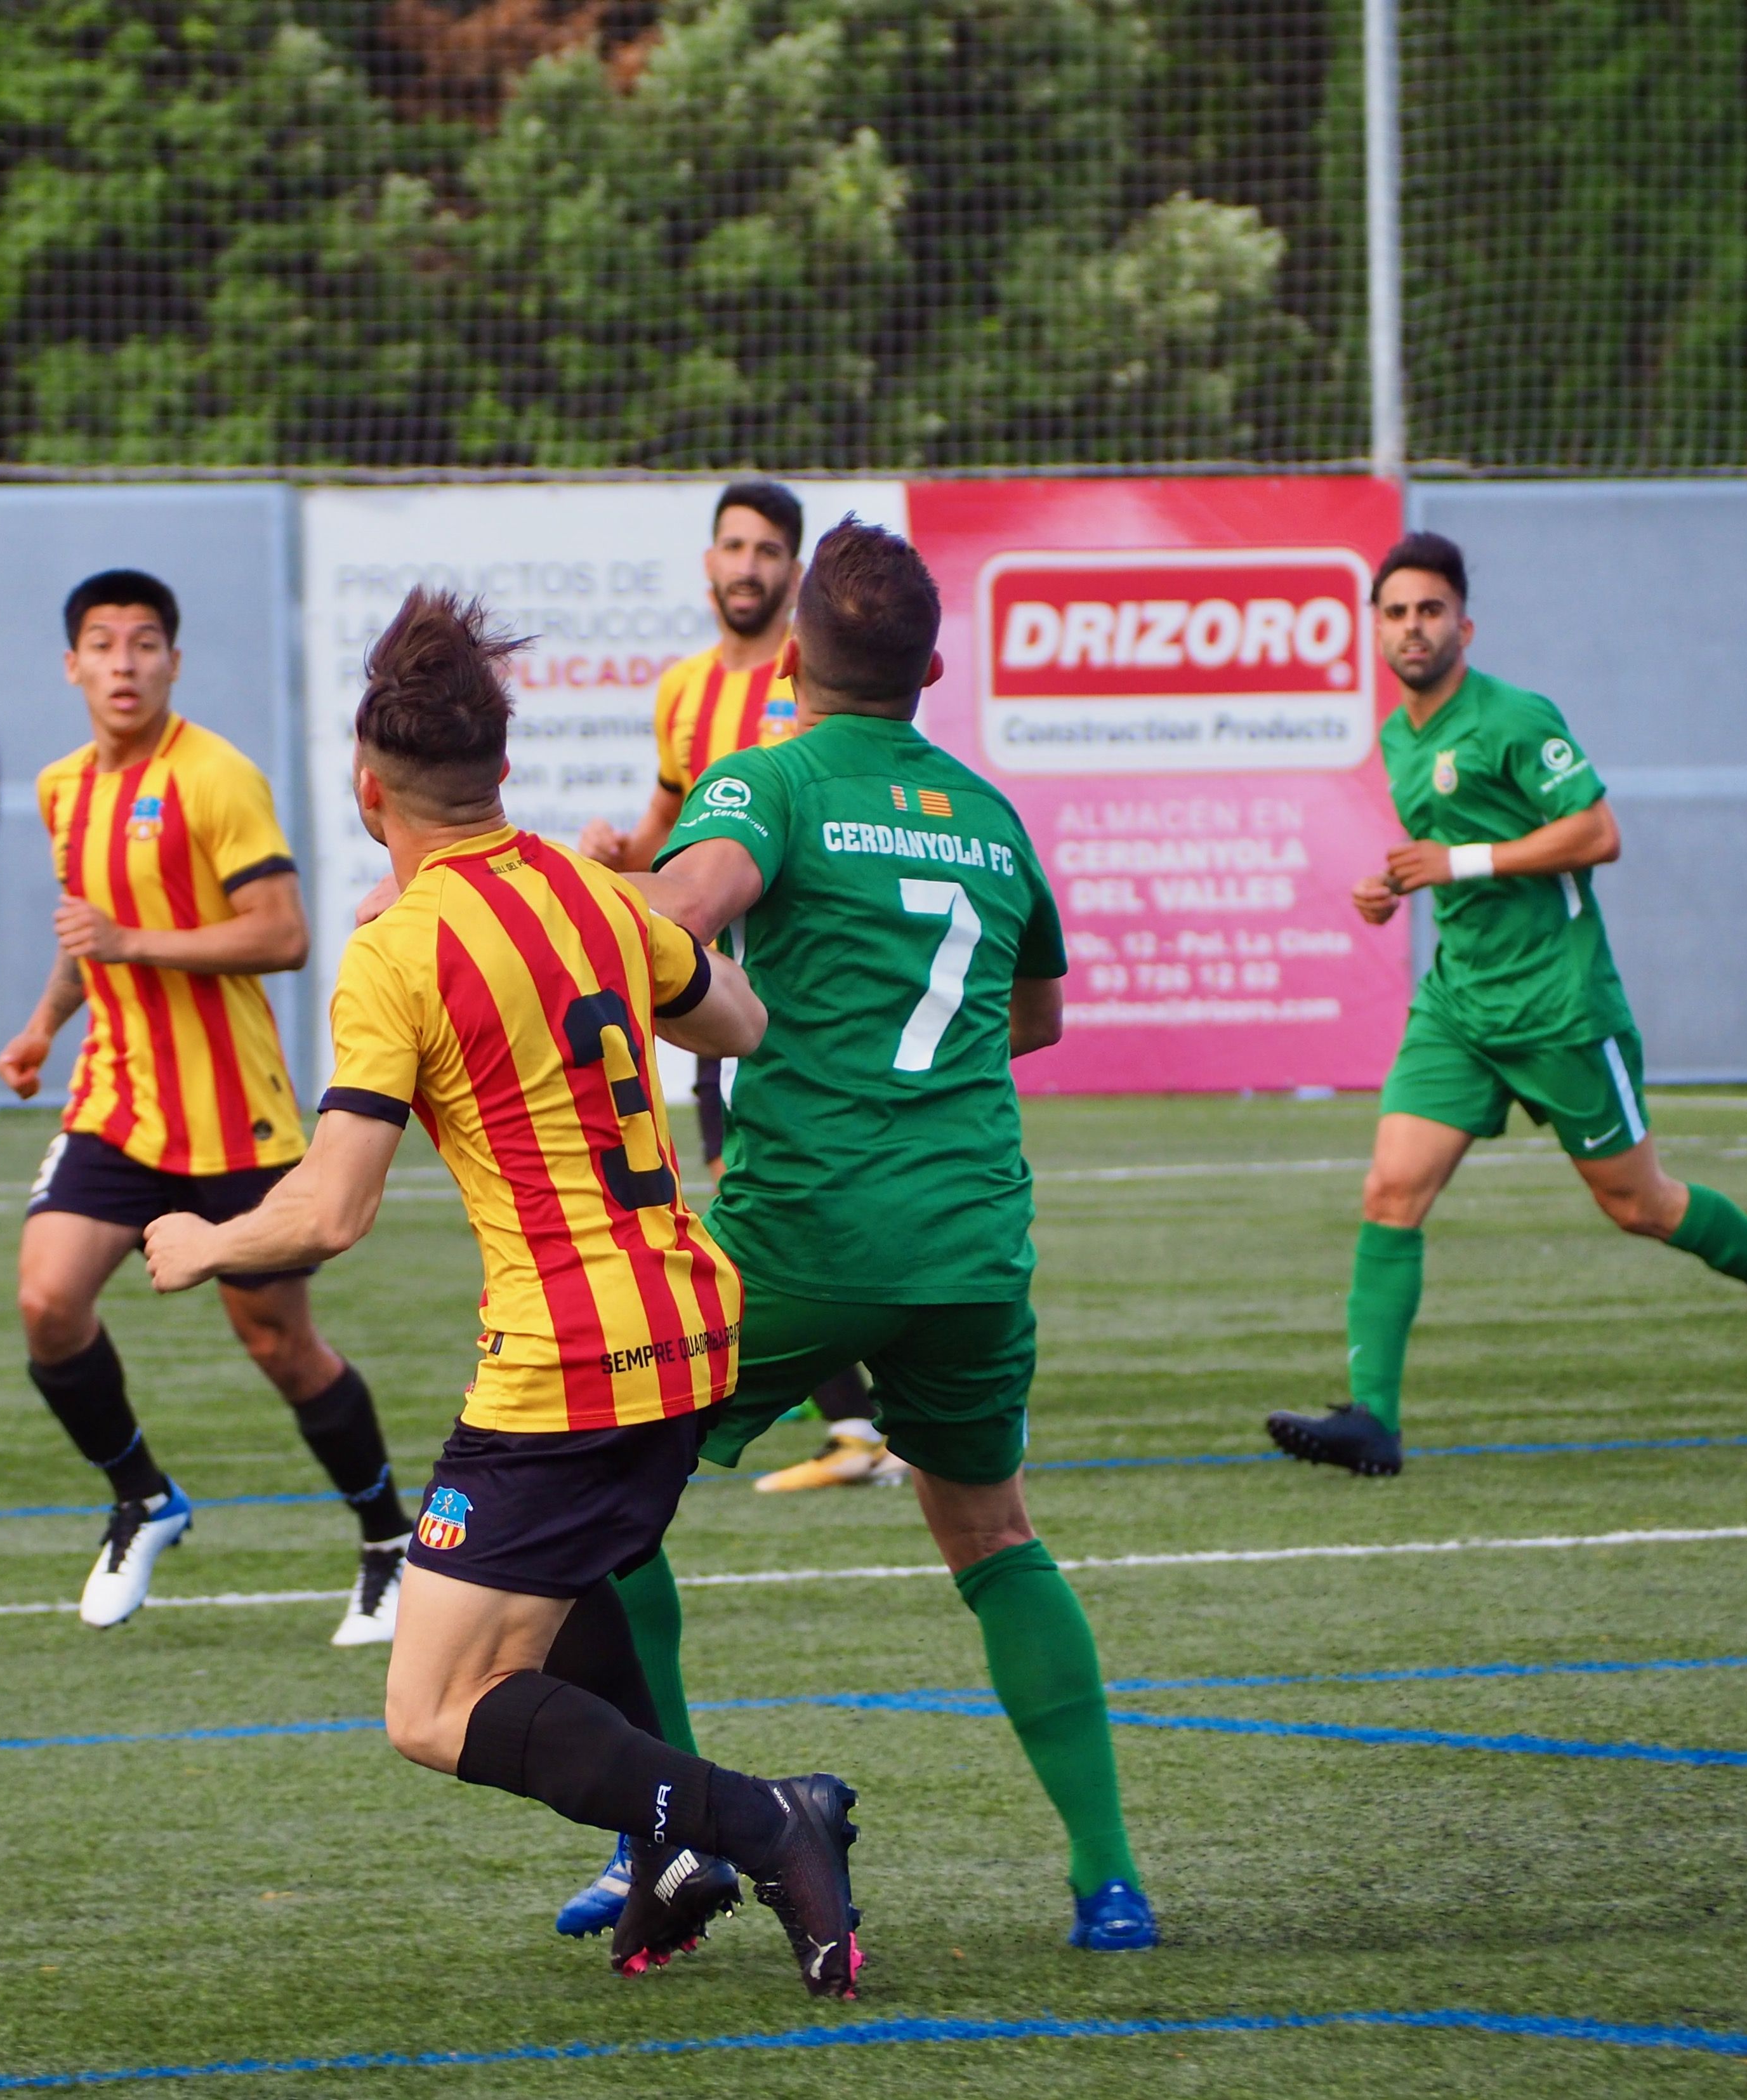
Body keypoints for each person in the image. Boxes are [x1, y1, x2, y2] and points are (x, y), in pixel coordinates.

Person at [142, 588, 865, 1998]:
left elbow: (332, 1209)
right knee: (559, 1596)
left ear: (366, 790)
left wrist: (202, 1240)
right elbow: (741, 1019)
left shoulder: (399, 949)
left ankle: (763, 1820)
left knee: (433, 1707)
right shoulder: (596, 894)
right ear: (504, 773)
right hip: (689, 1319)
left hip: (568, 1355)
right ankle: (668, 1863)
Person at [612, 517, 1161, 1957]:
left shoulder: (769, 777)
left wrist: (603, 899)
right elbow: (1035, 1013)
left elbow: (679, 920)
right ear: (930, 668)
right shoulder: (987, 811)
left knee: (610, 1506)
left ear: (790, 661)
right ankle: (1110, 1879)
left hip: (797, 1235)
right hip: (972, 1237)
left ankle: (667, 1842)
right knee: (994, 1532)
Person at [1265, 532, 1747, 1478]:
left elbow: (1596, 830)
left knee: (1640, 1205)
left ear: (1464, 624)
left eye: (1428, 611)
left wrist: (1455, 863)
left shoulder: (1512, 717)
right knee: (1390, 1192)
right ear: (1373, 631)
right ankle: (1372, 1421)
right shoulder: (1395, 736)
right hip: (1460, 1007)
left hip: (1558, 1005)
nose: (1411, 628)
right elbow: (1455, 846)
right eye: (1394, 613)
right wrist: (1396, 885)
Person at [0, 570, 412, 1645]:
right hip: (118, 1104)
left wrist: (130, 946)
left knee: (279, 1341)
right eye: (102, 643)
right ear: (72, 664)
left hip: (239, 1119)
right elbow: (92, 934)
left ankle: (386, 1539)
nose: (123, 662)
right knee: (48, 1300)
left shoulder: (218, 777)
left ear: (173, 661)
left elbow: (282, 934)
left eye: (144, 643)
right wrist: (47, 1022)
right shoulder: (59, 788)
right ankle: (141, 1494)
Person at [578, 480, 891, 1502]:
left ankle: (865, 1414)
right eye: (733, 547)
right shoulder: (681, 693)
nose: (748, 567)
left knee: (771, 1202)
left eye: (767, 551)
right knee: (746, 1197)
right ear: (708, 564)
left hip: (802, 985)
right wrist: (613, 853)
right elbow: (665, 830)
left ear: (792, 573)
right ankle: (860, 1418)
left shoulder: (810, 693)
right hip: (716, 992)